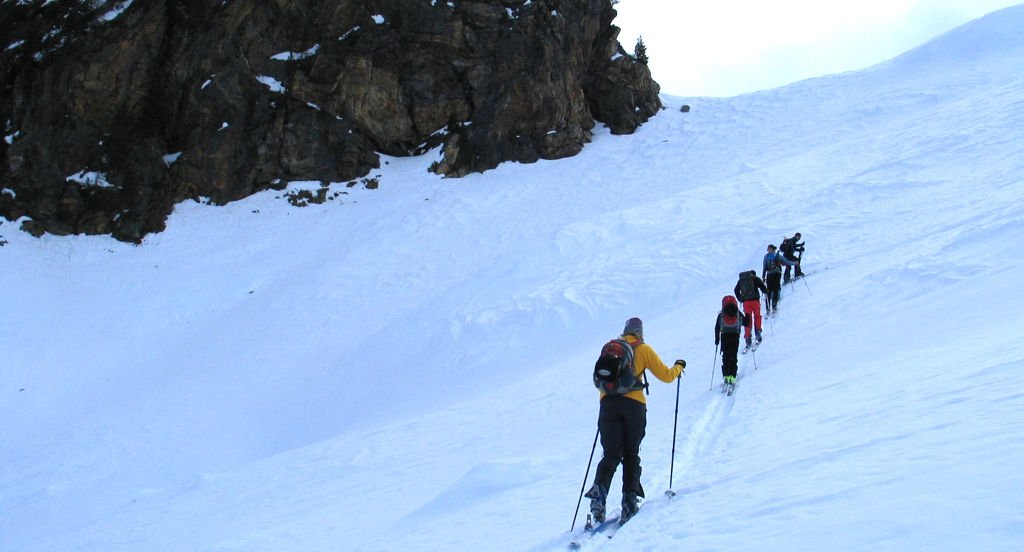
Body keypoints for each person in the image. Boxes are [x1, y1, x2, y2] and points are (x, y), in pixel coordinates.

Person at [585, 317, 685, 525]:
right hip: (634, 406)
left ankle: (599, 493)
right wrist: (678, 367)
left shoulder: (611, 349)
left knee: (611, 453)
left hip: (608, 405)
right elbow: (666, 375)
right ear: (640, 332)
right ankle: (629, 500)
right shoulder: (643, 349)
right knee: (631, 453)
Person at [715, 296, 750, 386]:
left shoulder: (721, 315)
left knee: (725, 356)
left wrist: (717, 340)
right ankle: (732, 376)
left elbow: (717, 328)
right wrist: (748, 315)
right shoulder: (737, 313)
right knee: (733, 356)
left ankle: (726, 375)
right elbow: (746, 323)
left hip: (724, 336)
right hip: (735, 336)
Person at [733, 270, 767, 348]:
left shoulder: (741, 280)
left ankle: (748, 337)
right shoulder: (755, 278)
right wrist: (766, 291)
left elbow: (736, 290)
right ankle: (758, 332)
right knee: (757, 316)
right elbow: (762, 287)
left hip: (746, 302)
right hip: (755, 301)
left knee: (748, 319)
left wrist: (740, 298)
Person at [762, 244, 796, 316]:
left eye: (768, 248)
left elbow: (764, 267)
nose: (767, 250)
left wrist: (763, 277)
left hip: (769, 275)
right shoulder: (778, 256)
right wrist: (795, 263)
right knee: (775, 289)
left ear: (770, 249)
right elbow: (786, 262)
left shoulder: (766, 256)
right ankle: (774, 306)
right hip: (777, 274)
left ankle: (768, 308)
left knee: (769, 290)